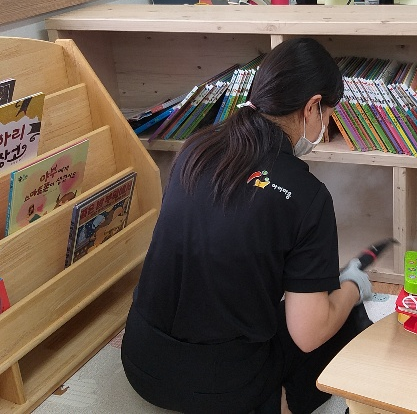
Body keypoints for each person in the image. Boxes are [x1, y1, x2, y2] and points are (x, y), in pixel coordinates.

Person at [121, 37, 374, 414]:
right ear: (312, 107)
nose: (325, 127)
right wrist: (352, 286)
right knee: (343, 320)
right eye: (328, 115)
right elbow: (308, 335)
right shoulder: (308, 195)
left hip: (142, 364)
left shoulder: (195, 149)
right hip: (226, 389)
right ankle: (278, 402)